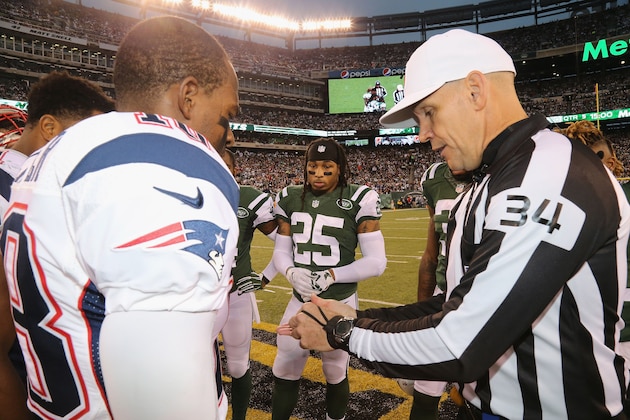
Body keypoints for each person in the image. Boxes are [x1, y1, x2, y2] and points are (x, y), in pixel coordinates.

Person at [281, 29, 630, 419]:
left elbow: (460, 342)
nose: (423, 135)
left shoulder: (549, 172)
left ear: (475, 90)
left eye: (428, 113)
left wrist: (341, 333)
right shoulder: (490, 181)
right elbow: (455, 305)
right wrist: (354, 319)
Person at [0, 15, 240, 420]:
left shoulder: (48, 157)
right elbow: (163, 396)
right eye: (227, 116)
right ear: (189, 96)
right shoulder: (165, 161)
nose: (230, 135)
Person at [0, 71, 114, 420]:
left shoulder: (47, 185)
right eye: (88, 136)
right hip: (32, 387)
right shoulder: (24, 192)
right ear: (48, 128)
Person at [271, 137, 387, 420]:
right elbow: (281, 252)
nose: (318, 175)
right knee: (284, 363)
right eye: (312, 168)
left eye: (326, 167)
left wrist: (333, 275)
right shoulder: (289, 197)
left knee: (334, 368)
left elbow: (377, 262)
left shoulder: (360, 199)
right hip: (299, 300)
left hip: (339, 301)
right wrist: (290, 272)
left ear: (340, 167)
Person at [219, 148, 278, 420]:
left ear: (235, 169)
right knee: (196, 364)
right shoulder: (188, 194)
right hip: (199, 297)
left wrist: (266, 275)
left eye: (224, 164)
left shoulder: (248, 199)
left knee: (238, 366)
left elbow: (286, 244)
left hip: (237, 294)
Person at [410, 162, 471, 420]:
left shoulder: (508, 169)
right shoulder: (434, 177)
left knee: (476, 403)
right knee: (424, 396)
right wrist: (418, 320)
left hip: (490, 304)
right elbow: (431, 254)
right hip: (443, 297)